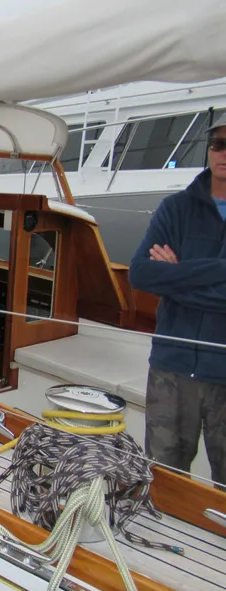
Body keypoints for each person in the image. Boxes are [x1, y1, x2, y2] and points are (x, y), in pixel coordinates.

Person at [129, 113, 226, 484]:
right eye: (218, 144)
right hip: (172, 367)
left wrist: (178, 275)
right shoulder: (175, 209)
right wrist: (219, 270)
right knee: (164, 476)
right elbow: (141, 274)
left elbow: (161, 278)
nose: (224, 152)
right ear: (209, 148)